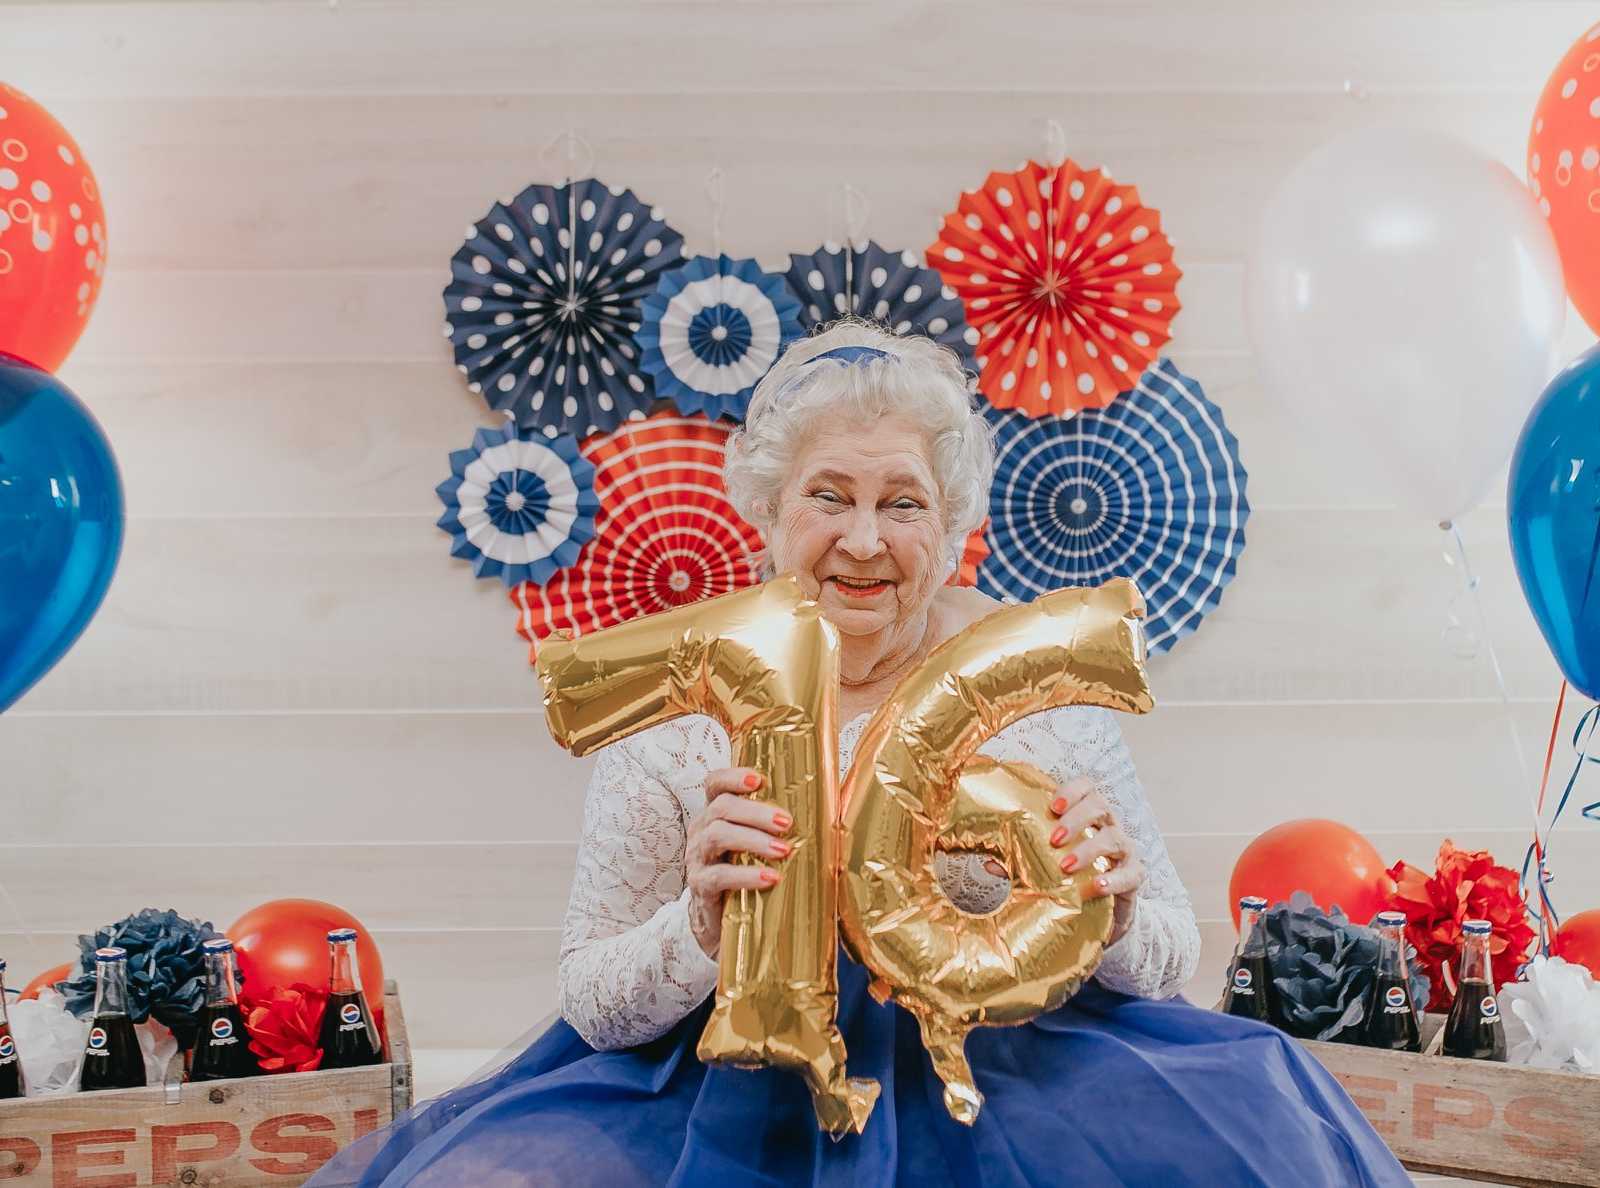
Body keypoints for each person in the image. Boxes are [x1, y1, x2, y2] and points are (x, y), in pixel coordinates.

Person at [311, 321, 1408, 1186]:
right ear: (769, 516)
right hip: (723, 1089)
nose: (866, 539)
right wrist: (698, 924)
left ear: (951, 526)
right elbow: (595, 1002)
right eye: (828, 497)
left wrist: (1114, 911)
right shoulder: (680, 717)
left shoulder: (1040, 703)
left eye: (903, 504)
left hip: (1012, 1074)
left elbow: (1172, 960)